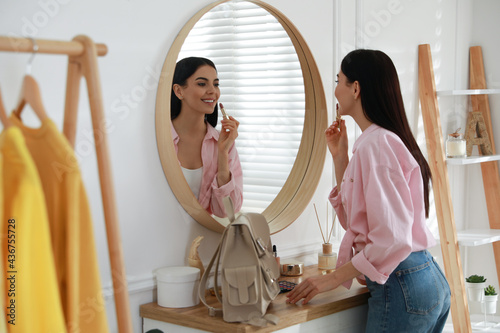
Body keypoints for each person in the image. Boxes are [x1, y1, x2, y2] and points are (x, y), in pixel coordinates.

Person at [286, 49, 451, 332]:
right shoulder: (379, 140)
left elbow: (390, 239)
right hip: (424, 277)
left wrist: (332, 278)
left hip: (401, 284)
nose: (336, 90)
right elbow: (359, 223)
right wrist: (340, 158)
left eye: (338, 80)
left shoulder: (375, 144)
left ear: (356, 88)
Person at [170, 57, 243, 218]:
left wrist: (223, 155)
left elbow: (227, 212)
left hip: (200, 239)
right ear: (179, 91)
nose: (213, 91)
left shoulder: (223, 143)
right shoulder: (159, 139)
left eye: (216, 84)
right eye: (202, 84)